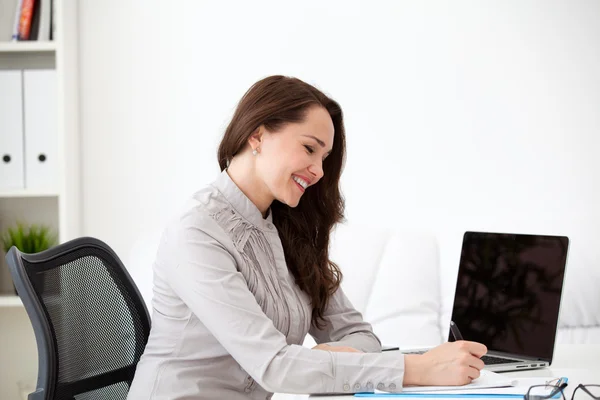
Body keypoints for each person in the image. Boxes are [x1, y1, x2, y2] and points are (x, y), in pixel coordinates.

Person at [127, 75, 487, 399]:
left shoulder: (289, 231)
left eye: (325, 158)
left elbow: (359, 335)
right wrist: (416, 369)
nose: (318, 171)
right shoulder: (196, 234)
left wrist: (318, 362)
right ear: (257, 134)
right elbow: (276, 367)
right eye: (309, 148)